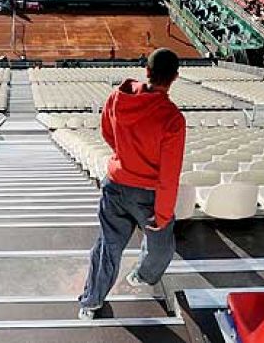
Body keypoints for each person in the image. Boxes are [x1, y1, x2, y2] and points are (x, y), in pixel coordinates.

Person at [78, 48, 186, 320]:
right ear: (175, 78)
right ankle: (142, 276)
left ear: (146, 71)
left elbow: (106, 130)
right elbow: (169, 175)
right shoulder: (173, 118)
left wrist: (125, 154)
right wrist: (161, 217)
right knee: (161, 246)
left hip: (115, 185)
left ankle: (91, 301)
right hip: (148, 196)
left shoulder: (117, 97)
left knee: (107, 246)